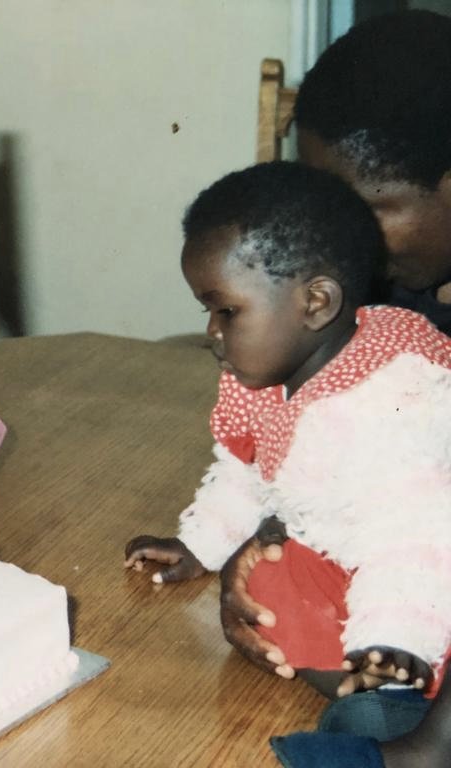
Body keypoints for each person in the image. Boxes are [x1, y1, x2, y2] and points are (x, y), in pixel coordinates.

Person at [123, 161, 451, 723]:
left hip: (424, 577)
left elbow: (416, 537)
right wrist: (201, 545)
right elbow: (243, 472)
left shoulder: (390, 398)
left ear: (316, 303)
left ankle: (394, 685)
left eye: (226, 311)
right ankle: (370, 684)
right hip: (348, 559)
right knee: (266, 580)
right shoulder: (272, 375)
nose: (211, 332)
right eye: (208, 311)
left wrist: (397, 640)